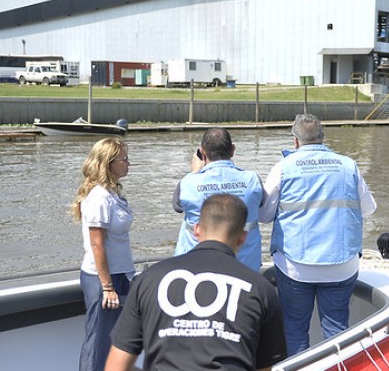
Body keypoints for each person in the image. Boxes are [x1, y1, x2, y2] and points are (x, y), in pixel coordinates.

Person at [106, 193, 287, 371]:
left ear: (196, 230)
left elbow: (116, 367)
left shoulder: (150, 279)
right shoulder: (260, 290)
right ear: (242, 238)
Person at [258, 113, 377, 354]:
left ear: (295, 141)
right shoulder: (348, 165)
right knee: (337, 327)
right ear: (323, 138)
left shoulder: (283, 168)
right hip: (341, 264)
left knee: (294, 327)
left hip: (295, 266)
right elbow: (369, 209)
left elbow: (264, 215)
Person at [70, 137, 136, 371]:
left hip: (120, 275)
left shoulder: (113, 194)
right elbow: (97, 245)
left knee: (115, 342)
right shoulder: (98, 197)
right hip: (104, 280)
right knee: (98, 343)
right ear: (108, 164)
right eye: (124, 159)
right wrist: (107, 287)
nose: (129, 163)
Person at [172, 127, 266, 271]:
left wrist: (195, 172)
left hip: (198, 268)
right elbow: (262, 202)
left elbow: (178, 206)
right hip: (245, 268)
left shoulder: (188, 182)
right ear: (232, 150)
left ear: (202, 152)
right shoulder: (252, 180)